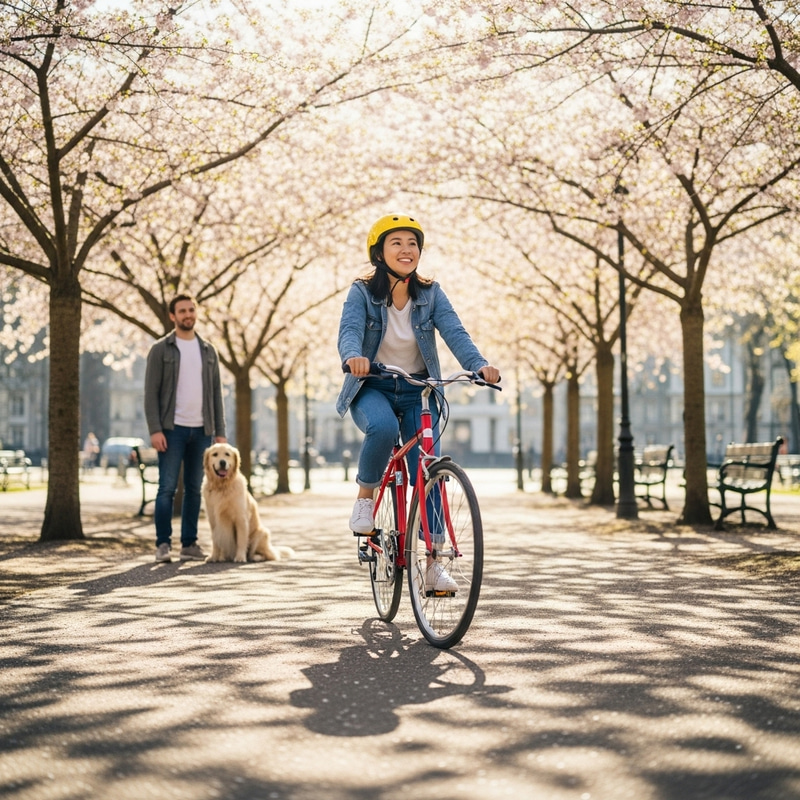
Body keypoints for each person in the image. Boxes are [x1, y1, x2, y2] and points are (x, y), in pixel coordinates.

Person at [336, 214, 500, 592]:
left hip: (419, 392)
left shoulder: (431, 294)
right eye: (397, 243)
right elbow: (350, 331)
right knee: (383, 427)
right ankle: (365, 498)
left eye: (412, 243)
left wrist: (478, 365)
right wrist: (352, 357)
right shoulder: (361, 292)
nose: (406, 250)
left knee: (428, 474)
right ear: (379, 252)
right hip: (372, 386)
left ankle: (433, 563)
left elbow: (455, 331)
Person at [144, 294, 227, 563]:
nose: (188, 314)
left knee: (194, 488)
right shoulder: (160, 349)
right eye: (182, 311)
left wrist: (220, 433)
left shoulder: (208, 350)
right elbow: (150, 393)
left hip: (202, 430)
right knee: (166, 488)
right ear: (172, 316)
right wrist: (155, 429)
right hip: (171, 429)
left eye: (191, 310)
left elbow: (216, 394)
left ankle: (189, 544)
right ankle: (163, 544)